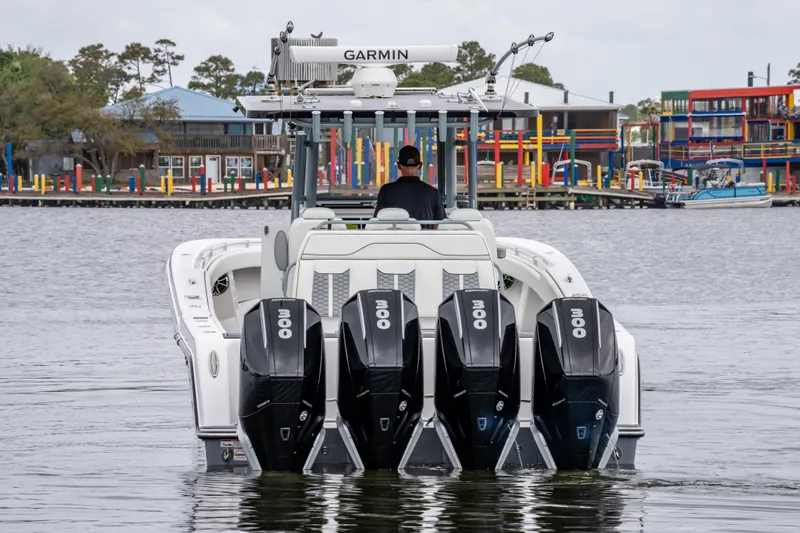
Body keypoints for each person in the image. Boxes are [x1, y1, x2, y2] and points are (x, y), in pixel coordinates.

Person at [373, 145, 446, 229]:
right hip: (424, 241)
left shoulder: (386, 191)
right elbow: (439, 225)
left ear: (398, 165)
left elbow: (379, 222)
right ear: (420, 165)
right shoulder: (433, 193)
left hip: (394, 241)